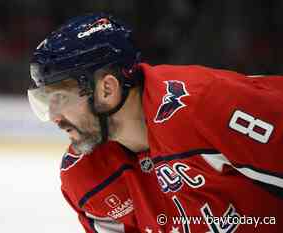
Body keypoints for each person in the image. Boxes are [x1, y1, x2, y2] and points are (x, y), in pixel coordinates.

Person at [28, 13, 283, 232]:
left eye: (60, 99)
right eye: (46, 102)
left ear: (107, 89)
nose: (54, 117)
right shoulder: (84, 178)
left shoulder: (205, 106)